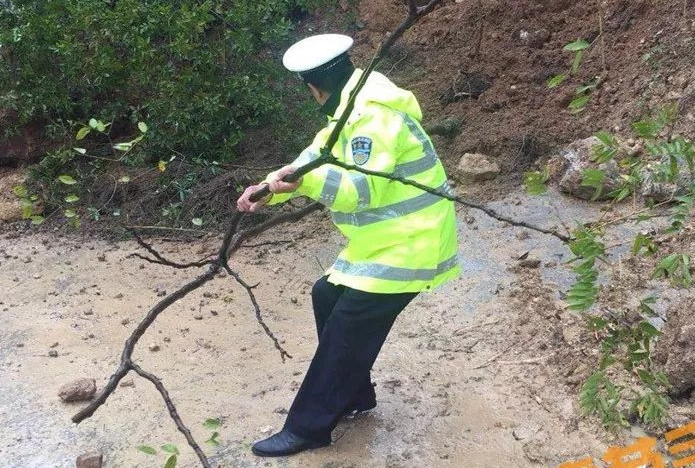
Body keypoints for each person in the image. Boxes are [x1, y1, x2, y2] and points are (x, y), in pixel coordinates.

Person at [236, 33, 460, 457]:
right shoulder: (351, 110)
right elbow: (314, 158)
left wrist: (305, 181)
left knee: (349, 322)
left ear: (314, 86)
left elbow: (362, 192)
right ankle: (355, 395)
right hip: (387, 240)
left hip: (412, 243)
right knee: (326, 293)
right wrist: (270, 187)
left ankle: (309, 426)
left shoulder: (372, 119)